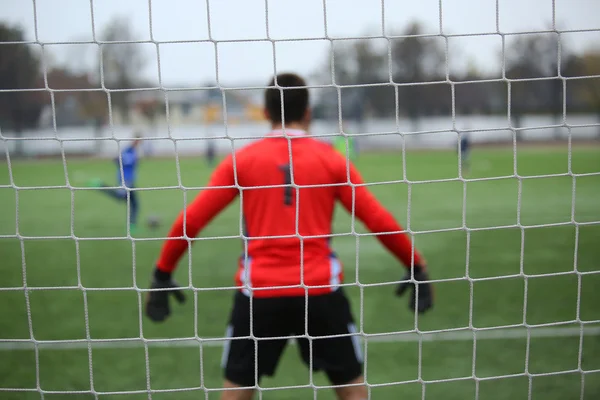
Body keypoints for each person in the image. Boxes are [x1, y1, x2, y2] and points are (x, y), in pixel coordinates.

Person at [144, 73, 433, 400]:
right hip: (320, 289)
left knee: (236, 393)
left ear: (266, 113)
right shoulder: (332, 160)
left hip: (260, 293)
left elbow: (192, 219)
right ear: (308, 111)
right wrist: (415, 265)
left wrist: (162, 272)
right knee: (353, 390)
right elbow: (378, 219)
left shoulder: (243, 161)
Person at [87, 133, 142, 234]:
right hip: (126, 181)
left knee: (134, 204)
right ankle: (100, 185)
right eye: (137, 140)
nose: (138, 143)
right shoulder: (129, 150)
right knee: (123, 199)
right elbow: (117, 159)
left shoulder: (132, 151)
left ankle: (132, 226)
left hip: (129, 180)